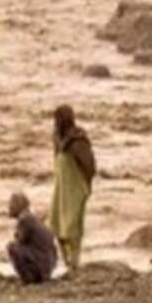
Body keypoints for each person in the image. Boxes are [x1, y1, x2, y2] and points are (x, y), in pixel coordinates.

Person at [50, 105, 96, 271]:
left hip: (75, 187)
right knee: (55, 224)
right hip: (61, 187)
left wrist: (87, 186)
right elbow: (56, 160)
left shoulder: (78, 140)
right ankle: (67, 261)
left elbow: (90, 165)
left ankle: (74, 262)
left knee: (72, 227)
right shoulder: (56, 137)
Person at [5, 191, 59, 284]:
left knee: (12, 247)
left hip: (42, 263)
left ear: (18, 205)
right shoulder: (31, 218)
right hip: (48, 263)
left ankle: (28, 279)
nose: (8, 208)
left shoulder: (25, 220)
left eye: (11, 205)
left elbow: (20, 241)